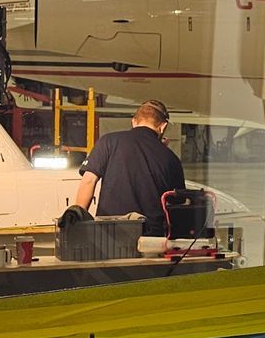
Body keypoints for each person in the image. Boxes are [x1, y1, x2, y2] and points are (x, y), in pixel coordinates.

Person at [73, 100, 185, 236]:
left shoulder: (108, 141)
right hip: (152, 235)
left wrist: (77, 222)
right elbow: (176, 202)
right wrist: (161, 152)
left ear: (134, 122)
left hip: (110, 232)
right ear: (163, 127)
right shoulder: (171, 158)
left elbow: (88, 181)